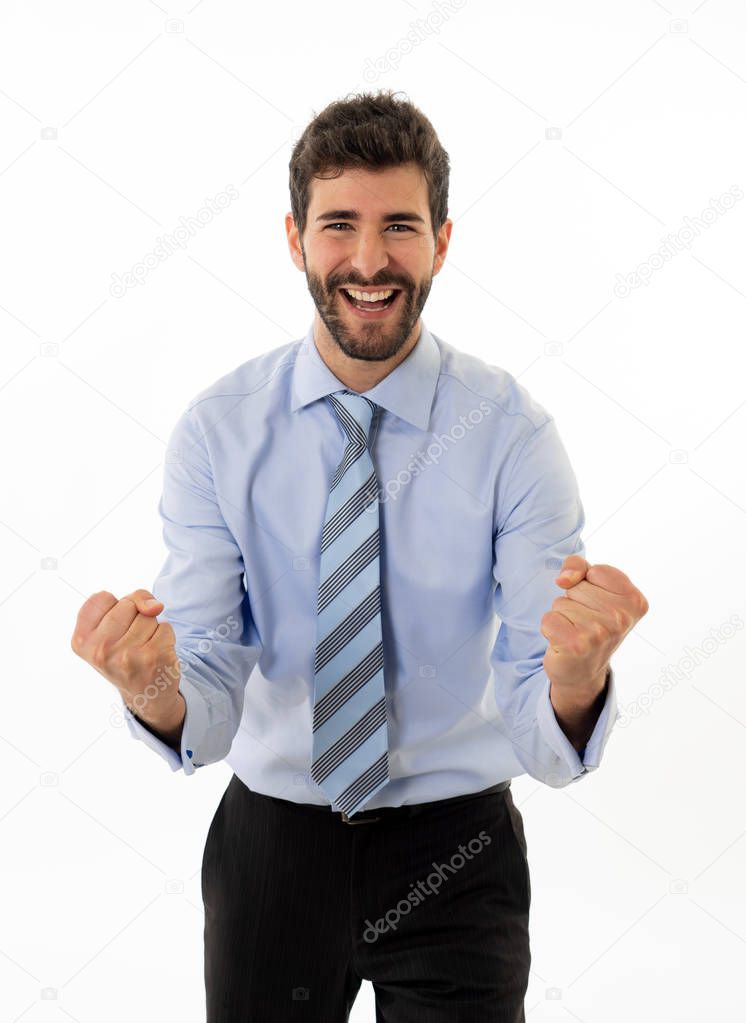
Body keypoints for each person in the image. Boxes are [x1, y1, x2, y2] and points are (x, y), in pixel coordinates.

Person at [71, 89, 649, 1022]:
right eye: (339, 224)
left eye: (401, 227)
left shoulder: (509, 433)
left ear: (444, 241)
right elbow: (206, 691)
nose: (370, 260)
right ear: (295, 237)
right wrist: (151, 686)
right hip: (274, 851)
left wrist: (578, 675)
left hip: (458, 852)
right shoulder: (219, 433)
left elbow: (545, 712)